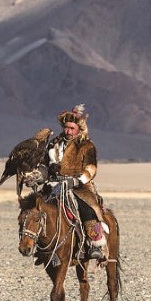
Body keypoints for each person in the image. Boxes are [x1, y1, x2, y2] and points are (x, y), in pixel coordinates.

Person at [46, 103, 108, 261]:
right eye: (66, 127)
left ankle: (95, 244)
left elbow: (91, 168)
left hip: (80, 186)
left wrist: (77, 180)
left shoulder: (87, 146)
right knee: (35, 206)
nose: (68, 131)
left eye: (71, 128)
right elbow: (45, 164)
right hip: (55, 184)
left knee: (87, 209)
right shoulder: (54, 144)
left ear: (78, 129)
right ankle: (39, 242)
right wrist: (38, 174)